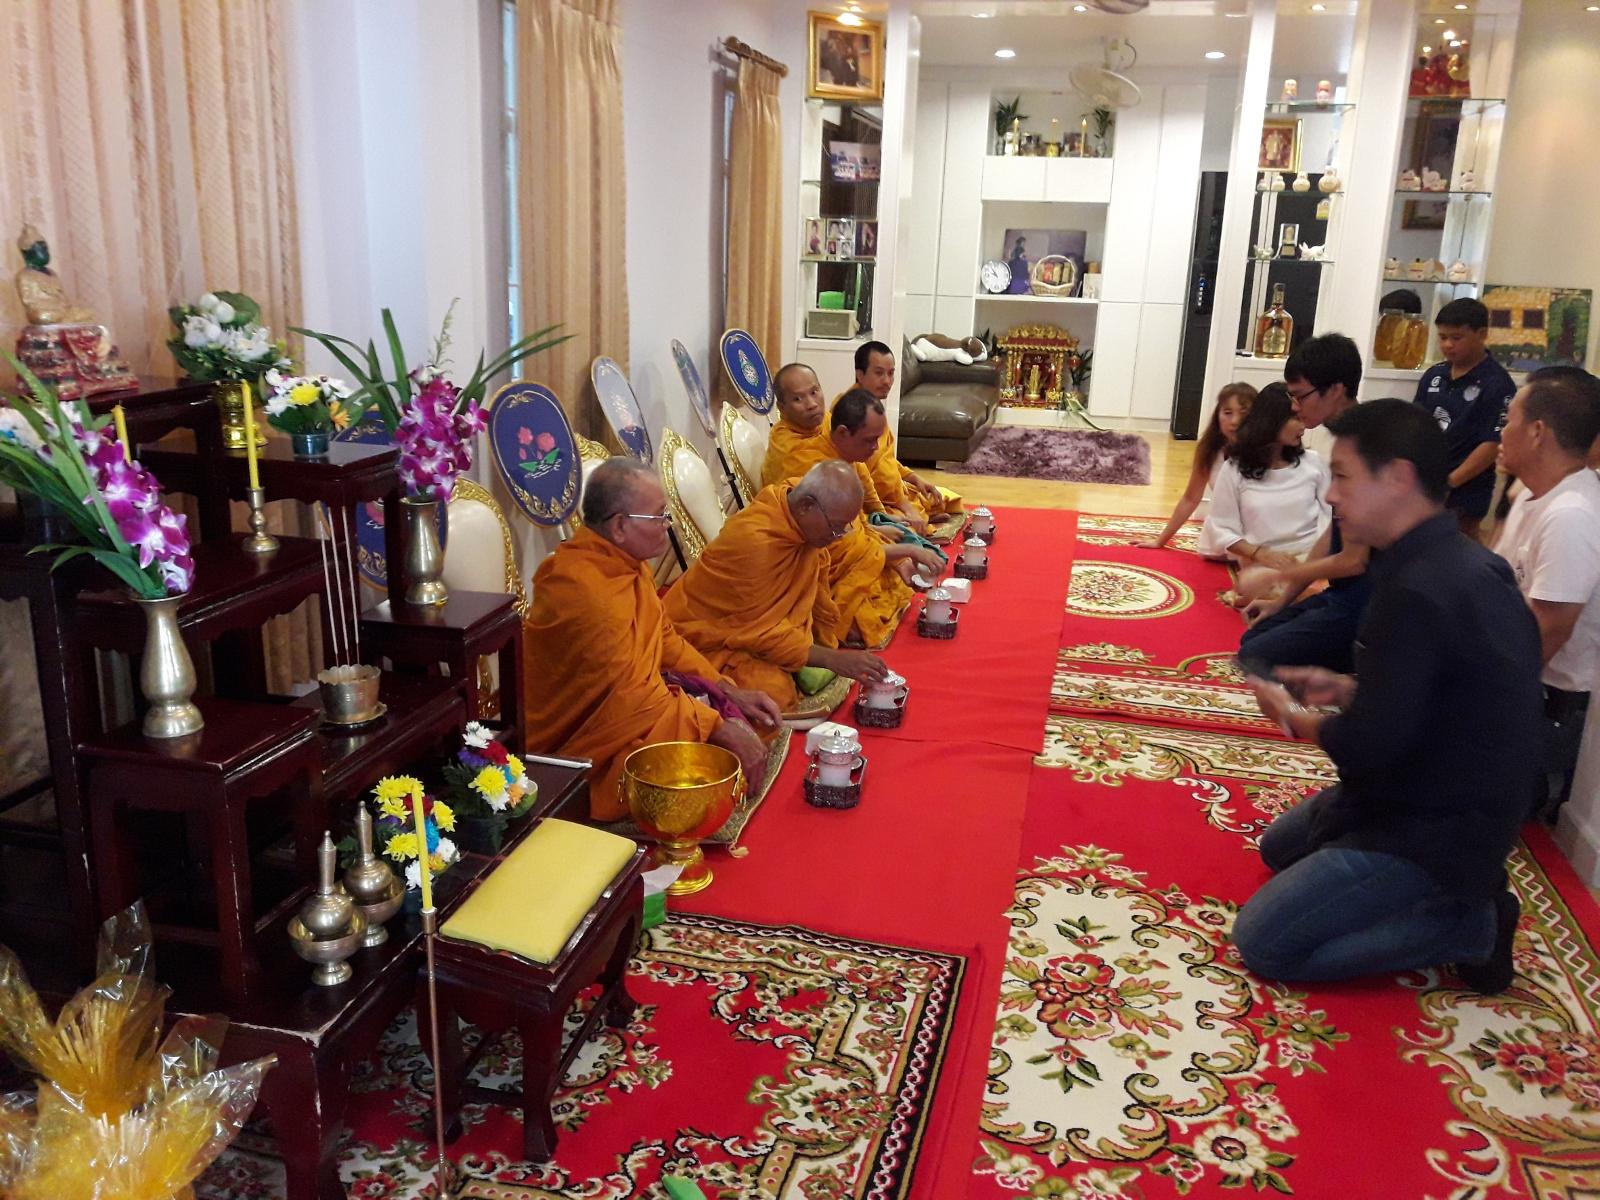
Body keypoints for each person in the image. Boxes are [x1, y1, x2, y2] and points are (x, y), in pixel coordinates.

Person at [1234, 399, 1543, 994]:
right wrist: (1349, 687)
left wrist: (1294, 717)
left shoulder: (1419, 588)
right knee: (1280, 848)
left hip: (1439, 822)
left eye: (1343, 477)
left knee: (1265, 941)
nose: (1331, 496)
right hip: (1435, 784)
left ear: (1397, 478)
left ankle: (1470, 925)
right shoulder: (1448, 558)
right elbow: (1442, 698)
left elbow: (1367, 746)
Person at [521, 458, 782, 820]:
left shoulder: (625, 564)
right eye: (659, 516)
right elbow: (629, 700)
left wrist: (725, 689)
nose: (668, 524)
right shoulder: (586, 590)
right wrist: (716, 727)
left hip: (627, 715)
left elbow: (665, 640)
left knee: (736, 726)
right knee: (695, 765)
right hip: (580, 751)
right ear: (620, 526)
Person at [663, 461, 897, 710]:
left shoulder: (796, 503)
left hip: (757, 629)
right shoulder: (756, 544)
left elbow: (802, 597)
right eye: (835, 528)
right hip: (704, 638)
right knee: (774, 692)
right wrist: (831, 659)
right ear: (806, 506)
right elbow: (761, 631)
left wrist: (821, 646)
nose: (836, 538)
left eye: (843, 529)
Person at [763, 373, 943, 645]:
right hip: (807, 554)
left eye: (814, 392)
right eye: (798, 398)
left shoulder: (829, 426)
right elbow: (831, 540)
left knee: (893, 568)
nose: (811, 403)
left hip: (845, 529)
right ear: (782, 406)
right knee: (861, 615)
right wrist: (902, 550)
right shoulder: (800, 458)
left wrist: (877, 523)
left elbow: (861, 489)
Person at [1493, 365, 1600, 822]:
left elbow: (1546, 635)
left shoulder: (1572, 514)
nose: (1501, 431)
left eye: (1509, 419)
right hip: (1514, 680)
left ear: (1537, 432)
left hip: (1546, 706)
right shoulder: (1532, 495)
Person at [1237, 333, 1372, 673]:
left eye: (1300, 396)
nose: (1295, 406)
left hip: (1368, 605)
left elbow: (1354, 561)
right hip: (1341, 595)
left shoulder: (1366, 443)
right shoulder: (1346, 437)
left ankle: (1358, 675)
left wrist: (1282, 572)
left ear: (1336, 390)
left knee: (1257, 655)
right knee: (1256, 637)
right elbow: (1333, 532)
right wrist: (1283, 599)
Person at [1413, 297, 1517, 541]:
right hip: (1424, 485)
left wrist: (1448, 483)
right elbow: (1415, 423)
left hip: (1465, 494)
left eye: (1456, 337)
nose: (1447, 345)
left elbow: (1491, 444)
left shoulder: (1498, 384)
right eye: (1442, 337)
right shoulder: (1434, 375)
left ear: (1481, 334)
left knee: (1454, 551)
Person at [1196, 383, 1327, 567]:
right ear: (1272, 419)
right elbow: (1221, 527)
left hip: (1312, 557)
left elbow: (1331, 517)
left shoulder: (1314, 462)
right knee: (1260, 583)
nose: (1303, 426)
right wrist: (1259, 554)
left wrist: (1313, 562)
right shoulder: (1234, 469)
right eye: (1295, 418)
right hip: (1260, 561)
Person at [847, 340, 962, 529]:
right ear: (860, 374)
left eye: (891, 373)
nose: (887, 381)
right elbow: (868, 475)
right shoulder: (852, 412)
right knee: (904, 525)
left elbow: (885, 459)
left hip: (891, 491)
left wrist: (914, 478)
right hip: (870, 498)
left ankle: (917, 514)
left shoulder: (871, 405)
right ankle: (913, 517)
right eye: (879, 373)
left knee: (937, 497)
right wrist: (905, 505)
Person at [1138, 382, 1255, 549]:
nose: (1235, 421)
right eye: (1228, 413)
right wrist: (1160, 541)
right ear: (1218, 415)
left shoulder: (1267, 451)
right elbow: (1191, 499)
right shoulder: (1210, 450)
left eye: (1243, 413)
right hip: (1226, 532)